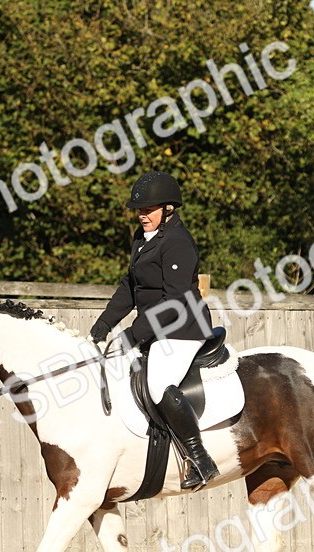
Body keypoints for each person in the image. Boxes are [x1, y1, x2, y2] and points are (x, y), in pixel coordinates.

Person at [89, 171, 220, 490]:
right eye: (139, 209)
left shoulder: (178, 243)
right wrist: (104, 324)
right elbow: (129, 285)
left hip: (183, 330)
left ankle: (199, 458)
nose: (141, 214)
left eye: (148, 209)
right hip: (154, 330)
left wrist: (133, 335)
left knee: (159, 382)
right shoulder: (141, 237)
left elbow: (174, 303)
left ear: (169, 210)